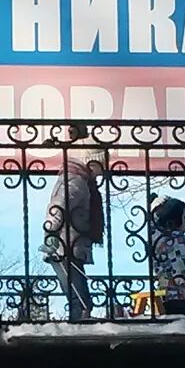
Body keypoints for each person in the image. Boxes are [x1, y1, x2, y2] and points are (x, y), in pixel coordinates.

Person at [41, 124, 112, 322]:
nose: (101, 173)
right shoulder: (76, 181)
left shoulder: (76, 180)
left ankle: (79, 317)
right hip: (64, 244)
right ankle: (79, 321)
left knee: (76, 289)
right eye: (100, 167)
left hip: (68, 243)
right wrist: (52, 230)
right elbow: (59, 204)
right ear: (90, 163)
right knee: (77, 293)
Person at [144, 195, 185, 318]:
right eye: (184, 217)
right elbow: (180, 265)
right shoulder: (177, 240)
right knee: (181, 321)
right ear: (175, 220)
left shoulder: (158, 238)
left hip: (166, 290)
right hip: (180, 291)